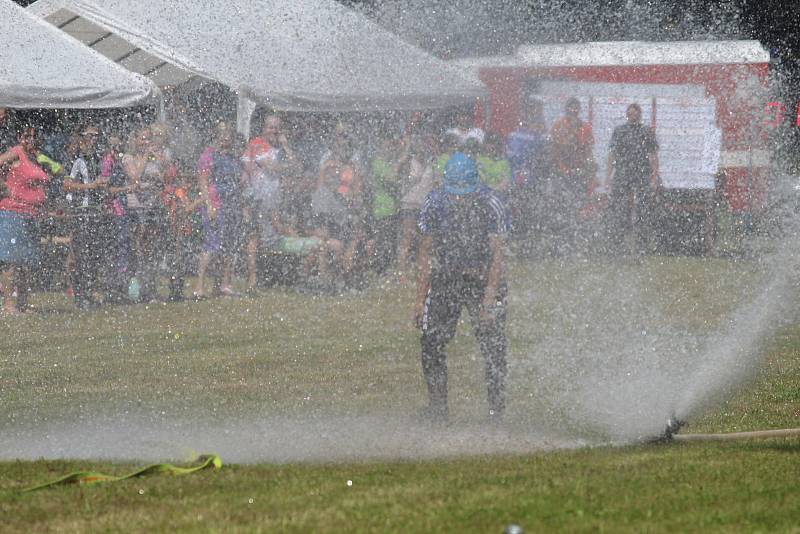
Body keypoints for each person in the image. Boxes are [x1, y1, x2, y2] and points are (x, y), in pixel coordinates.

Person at [413, 152, 511, 422]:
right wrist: (420, 299)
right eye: (454, 193)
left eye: (463, 193)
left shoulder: (491, 203)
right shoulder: (434, 202)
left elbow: (498, 257)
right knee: (431, 342)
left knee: (493, 347)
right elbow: (425, 253)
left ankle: (496, 413)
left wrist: (489, 300)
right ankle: (437, 409)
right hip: (447, 279)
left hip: (483, 280)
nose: (458, 198)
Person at [241, 114, 295, 292]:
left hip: (274, 200)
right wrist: (288, 168)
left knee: (274, 237)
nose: (274, 131)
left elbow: (297, 166)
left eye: (277, 127)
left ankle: (274, 277)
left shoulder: (279, 148)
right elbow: (271, 167)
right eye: (270, 127)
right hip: (257, 199)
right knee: (257, 239)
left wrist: (286, 145)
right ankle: (254, 278)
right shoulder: (257, 144)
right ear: (264, 128)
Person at [0, 126, 50, 315]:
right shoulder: (16, 153)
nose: (31, 140)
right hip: (13, 214)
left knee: (25, 263)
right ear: (20, 137)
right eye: (27, 136)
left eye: (34, 136)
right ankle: (9, 305)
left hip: (31, 215)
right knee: (11, 262)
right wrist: (4, 186)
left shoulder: (37, 157)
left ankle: (23, 303)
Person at [194, 121, 242, 299]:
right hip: (216, 204)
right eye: (222, 133)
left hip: (232, 204)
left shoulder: (233, 157)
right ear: (216, 134)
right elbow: (203, 183)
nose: (225, 136)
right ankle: (199, 286)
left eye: (228, 133)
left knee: (229, 246)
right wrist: (209, 205)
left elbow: (237, 182)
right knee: (211, 245)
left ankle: (225, 284)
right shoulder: (208, 155)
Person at [64, 123, 109, 309]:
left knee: (94, 255)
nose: (94, 139)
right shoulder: (75, 158)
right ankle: (80, 296)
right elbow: (67, 185)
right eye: (91, 135)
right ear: (82, 137)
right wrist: (91, 187)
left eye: (96, 135)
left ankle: (90, 293)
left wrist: (101, 189)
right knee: (81, 255)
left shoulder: (95, 158)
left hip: (94, 210)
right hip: (80, 211)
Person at [606, 103, 659, 256]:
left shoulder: (646, 131)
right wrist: (608, 176)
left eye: (635, 114)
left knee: (642, 212)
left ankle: (640, 246)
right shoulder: (620, 131)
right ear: (626, 115)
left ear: (640, 115)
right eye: (630, 114)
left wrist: (654, 176)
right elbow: (612, 155)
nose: (632, 117)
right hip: (622, 174)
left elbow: (653, 155)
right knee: (620, 211)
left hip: (641, 174)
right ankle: (619, 246)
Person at [547, 97, 595, 251]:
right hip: (561, 171)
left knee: (579, 204)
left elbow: (588, 150)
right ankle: (561, 241)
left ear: (579, 110)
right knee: (561, 206)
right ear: (566, 109)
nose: (573, 111)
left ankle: (577, 240)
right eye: (571, 108)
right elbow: (554, 148)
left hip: (579, 172)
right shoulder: (558, 125)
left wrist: (589, 170)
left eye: (576, 108)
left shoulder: (585, 127)